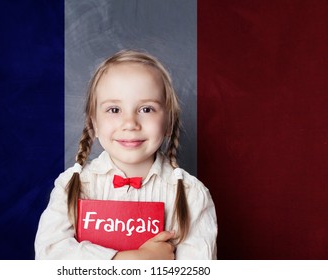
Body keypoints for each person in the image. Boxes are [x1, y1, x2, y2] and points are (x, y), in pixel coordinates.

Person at [34, 49, 217, 260]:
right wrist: (132, 260)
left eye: (146, 109)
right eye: (114, 110)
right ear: (93, 121)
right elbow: (49, 257)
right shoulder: (71, 186)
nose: (130, 123)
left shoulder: (191, 194)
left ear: (168, 121)